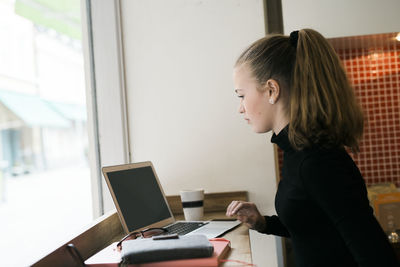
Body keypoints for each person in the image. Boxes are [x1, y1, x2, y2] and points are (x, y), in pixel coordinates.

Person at [226, 29, 399, 267]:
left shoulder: (317, 162)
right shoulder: (297, 152)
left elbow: (375, 254)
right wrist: (263, 223)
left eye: (241, 95)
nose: (240, 108)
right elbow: (315, 227)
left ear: (271, 90)